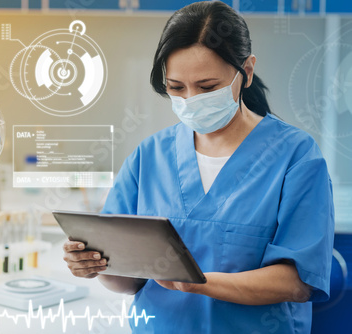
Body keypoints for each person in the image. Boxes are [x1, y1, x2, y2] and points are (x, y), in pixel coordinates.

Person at [62, 1, 334, 333]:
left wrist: (196, 283)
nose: (190, 101)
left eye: (207, 88)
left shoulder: (295, 156)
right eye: (176, 88)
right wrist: (96, 265)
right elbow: (129, 282)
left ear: (246, 72)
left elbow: (297, 282)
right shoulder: (150, 156)